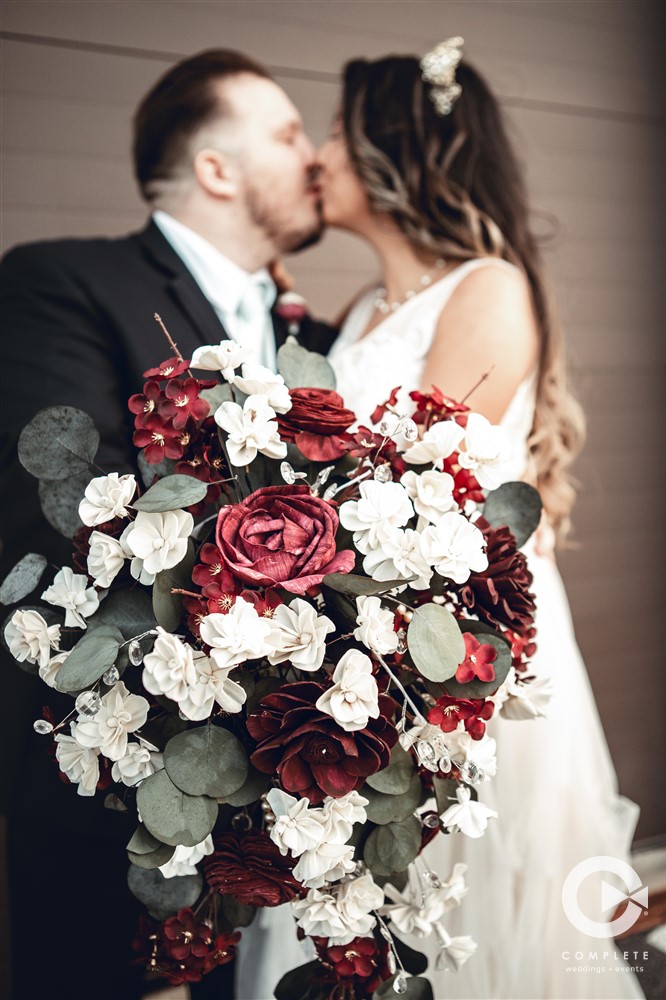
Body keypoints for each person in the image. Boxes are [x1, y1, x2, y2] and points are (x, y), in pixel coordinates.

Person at [240, 42, 645, 1000]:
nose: (318, 157)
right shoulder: (364, 305)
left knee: (459, 908)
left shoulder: (489, 288)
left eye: (335, 133)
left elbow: (425, 486)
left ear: (392, 150)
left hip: (459, 653)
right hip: (370, 644)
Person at [0, 48, 335, 1000]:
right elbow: (63, 512)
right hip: (112, 789)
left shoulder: (316, 336)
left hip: (284, 803)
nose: (312, 157)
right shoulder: (60, 284)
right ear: (217, 169)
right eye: (285, 133)